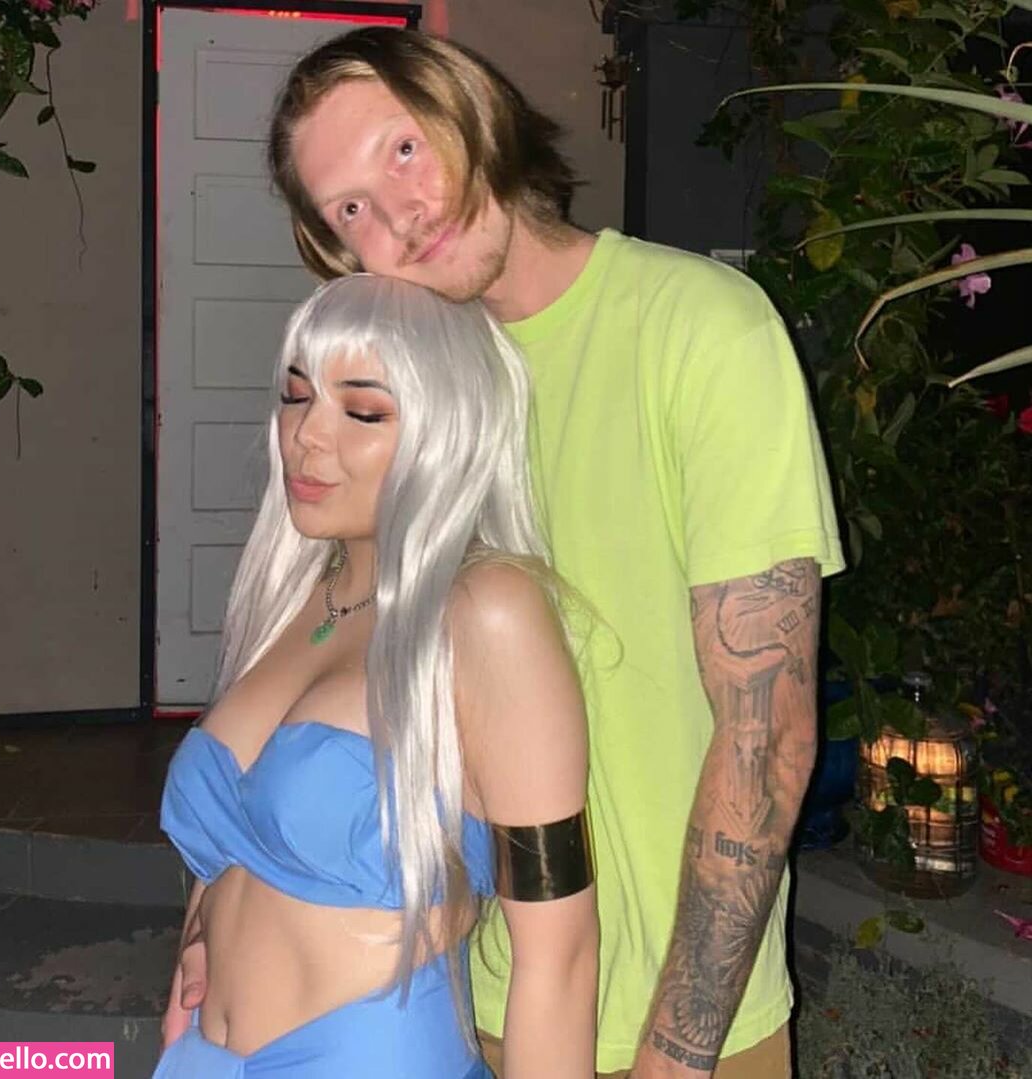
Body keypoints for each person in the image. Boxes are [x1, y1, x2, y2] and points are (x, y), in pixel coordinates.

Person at [165, 27, 846, 1078]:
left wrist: (676, 1052)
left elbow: (767, 736)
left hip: (668, 1018)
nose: (398, 214)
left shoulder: (699, 327)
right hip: (436, 998)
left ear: (469, 109)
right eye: (350, 209)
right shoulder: (401, 393)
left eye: (402, 150)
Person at [155, 274, 597, 1078]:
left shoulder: (487, 612)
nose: (306, 436)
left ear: (448, 428)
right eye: (297, 396)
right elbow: (233, 843)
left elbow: (558, 954)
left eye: (362, 411)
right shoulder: (291, 596)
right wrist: (198, 938)